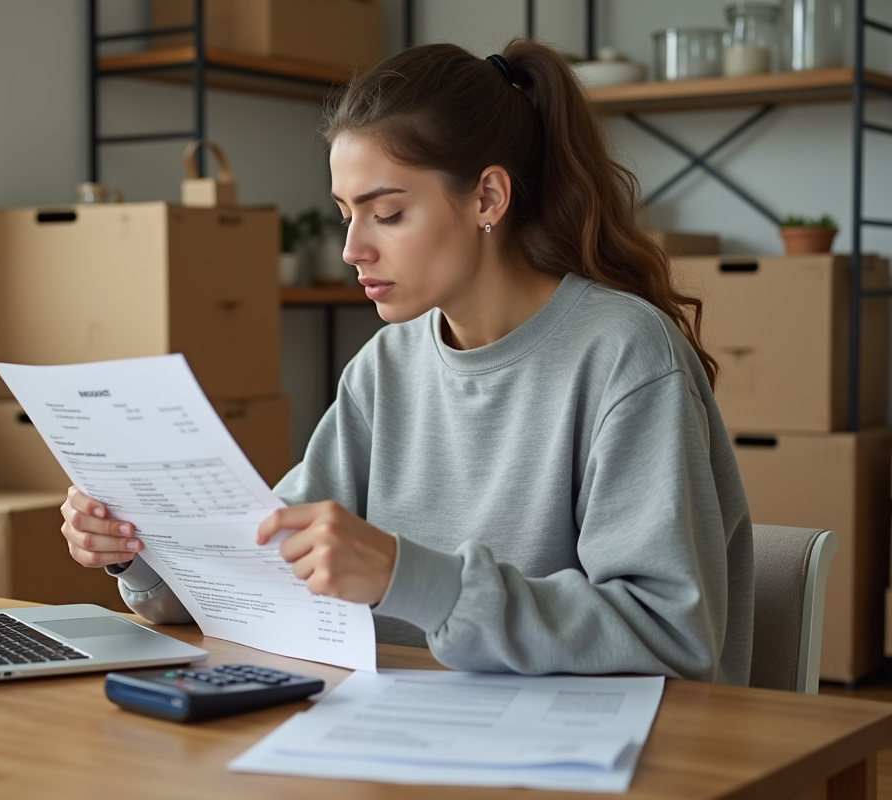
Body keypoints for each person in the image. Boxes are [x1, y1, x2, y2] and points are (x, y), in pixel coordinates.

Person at [60, 39, 754, 685]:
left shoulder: (624, 354)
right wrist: (136, 549)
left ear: (487, 197)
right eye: (345, 214)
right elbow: (264, 572)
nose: (352, 249)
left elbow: (671, 638)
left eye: (386, 213)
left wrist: (409, 576)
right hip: (398, 736)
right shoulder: (384, 367)